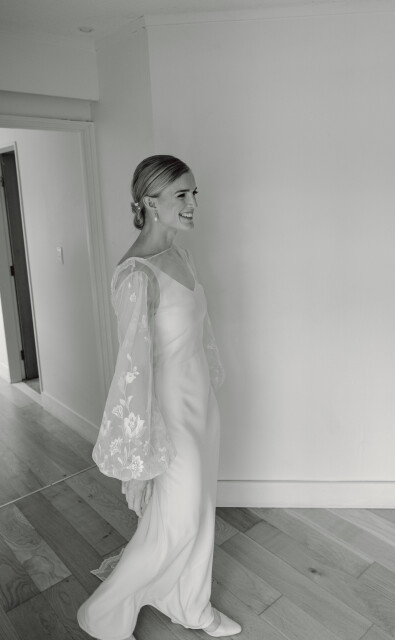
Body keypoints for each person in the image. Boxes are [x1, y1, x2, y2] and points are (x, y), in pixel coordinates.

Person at [77, 155, 242, 640]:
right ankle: (101, 616)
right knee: (179, 521)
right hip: (168, 414)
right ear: (150, 202)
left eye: (194, 194)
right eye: (181, 195)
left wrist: (207, 393)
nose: (193, 204)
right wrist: (142, 439)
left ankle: (192, 606)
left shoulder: (182, 258)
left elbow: (196, 337)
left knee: (200, 510)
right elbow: (132, 370)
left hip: (201, 405)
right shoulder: (137, 275)